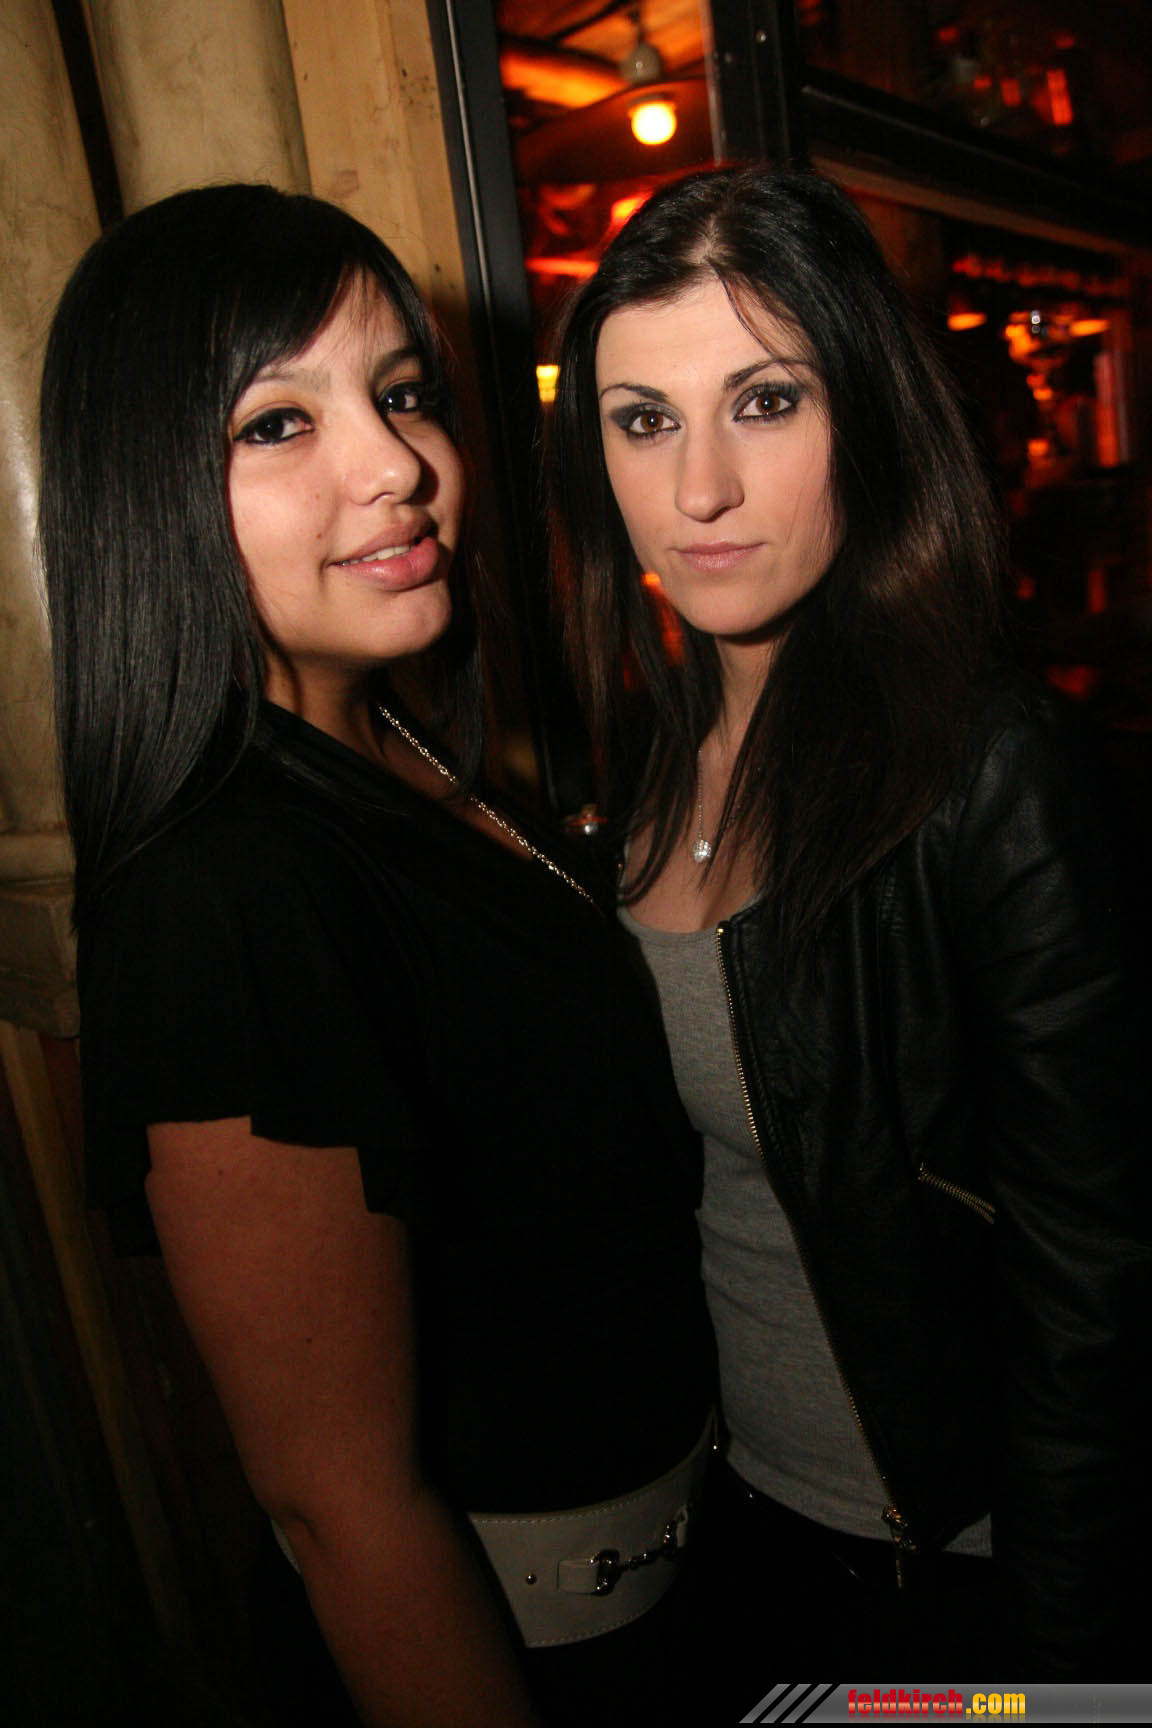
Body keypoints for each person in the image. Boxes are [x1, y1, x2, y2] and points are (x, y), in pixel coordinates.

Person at [39, 183, 717, 1728]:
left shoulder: (407, 753)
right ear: (144, 488)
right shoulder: (222, 891)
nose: (399, 463)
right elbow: (342, 1509)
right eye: (279, 423)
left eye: (403, 394)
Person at [549, 165, 1149, 1690]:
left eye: (764, 403)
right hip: (733, 1533)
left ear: (867, 416)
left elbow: (1100, 1287)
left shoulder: (992, 772)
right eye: (642, 420)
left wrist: (1064, 1683)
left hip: (950, 1575)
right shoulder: (645, 767)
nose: (699, 488)